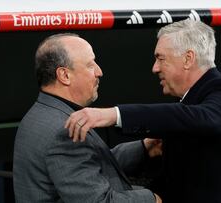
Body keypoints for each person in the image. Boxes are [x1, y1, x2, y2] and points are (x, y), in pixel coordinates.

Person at [65, 19, 221, 203]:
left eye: (160, 58)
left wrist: (114, 115)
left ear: (188, 59)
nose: (154, 68)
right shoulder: (189, 104)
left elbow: (195, 118)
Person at [13, 33, 162, 203]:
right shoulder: (64, 130)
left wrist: (144, 148)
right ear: (64, 75)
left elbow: (88, 164)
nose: (99, 72)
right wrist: (152, 198)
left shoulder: (41, 114)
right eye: (91, 65)